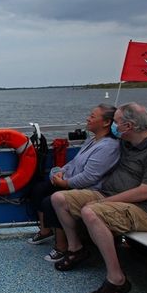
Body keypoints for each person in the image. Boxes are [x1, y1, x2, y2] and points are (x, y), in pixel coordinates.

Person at [51, 102, 147, 293]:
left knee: (91, 212)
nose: (112, 126)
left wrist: (105, 202)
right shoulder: (127, 144)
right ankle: (76, 248)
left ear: (128, 126)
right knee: (59, 198)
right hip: (111, 196)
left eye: (116, 122)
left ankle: (116, 279)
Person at [27, 104, 120, 262]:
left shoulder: (109, 147)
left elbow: (90, 177)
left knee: (50, 201)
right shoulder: (92, 141)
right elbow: (75, 163)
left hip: (88, 189)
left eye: (92, 116)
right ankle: (45, 231)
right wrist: (60, 171)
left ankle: (62, 247)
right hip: (69, 180)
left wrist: (64, 184)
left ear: (106, 122)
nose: (87, 119)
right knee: (38, 189)